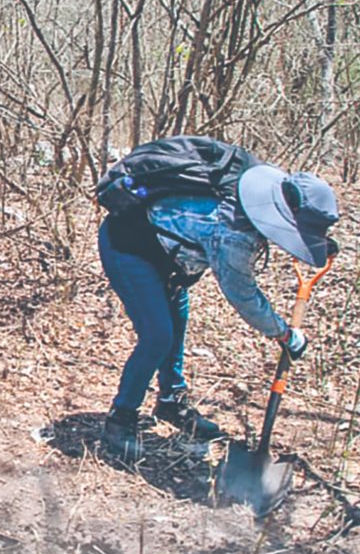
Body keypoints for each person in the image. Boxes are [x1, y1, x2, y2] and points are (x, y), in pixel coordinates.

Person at [99, 152, 339, 461]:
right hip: (128, 247)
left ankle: (171, 400)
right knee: (158, 336)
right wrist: (283, 333)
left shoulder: (255, 195)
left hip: (167, 259)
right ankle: (120, 419)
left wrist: (314, 242)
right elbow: (244, 298)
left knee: (175, 324)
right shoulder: (234, 233)